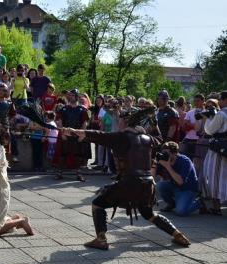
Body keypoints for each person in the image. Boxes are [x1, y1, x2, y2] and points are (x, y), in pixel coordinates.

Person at [63, 107, 191, 250]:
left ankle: (101, 239)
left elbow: (99, 135)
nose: (119, 122)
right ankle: (178, 234)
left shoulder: (121, 137)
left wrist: (73, 131)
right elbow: (160, 140)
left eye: (121, 119)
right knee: (148, 213)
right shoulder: (149, 139)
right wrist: (154, 124)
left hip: (129, 182)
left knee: (98, 204)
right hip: (147, 184)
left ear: (125, 122)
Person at [155, 142, 201, 216]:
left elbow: (180, 182)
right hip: (174, 186)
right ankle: (172, 204)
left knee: (181, 212)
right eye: (163, 153)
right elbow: (152, 176)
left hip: (187, 188)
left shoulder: (185, 161)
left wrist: (168, 166)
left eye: (167, 153)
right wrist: (154, 163)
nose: (164, 155)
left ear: (174, 153)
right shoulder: (164, 160)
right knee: (159, 185)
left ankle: (199, 203)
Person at [54, 89, 90, 182]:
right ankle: (60, 173)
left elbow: (85, 123)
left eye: (72, 95)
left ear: (77, 97)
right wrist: (62, 133)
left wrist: (82, 135)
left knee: (78, 155)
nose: (69, 97)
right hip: (66, 134)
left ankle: (79, 173)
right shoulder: (64, 109)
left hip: (77, 134)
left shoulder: (82, 109)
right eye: (69, 95)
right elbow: (59, 122)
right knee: (63, 154)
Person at [201, 91, 227, 215]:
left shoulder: (222, 114)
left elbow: (209, 130)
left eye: (220, 99)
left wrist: (208, 118)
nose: (219, 102)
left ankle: (216, 208)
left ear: (224, 100)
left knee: (214, 177)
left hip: (219, 149)